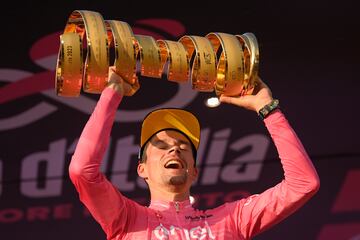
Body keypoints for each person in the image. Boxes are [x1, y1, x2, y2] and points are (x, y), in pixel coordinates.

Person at [69, 67, 320, 239]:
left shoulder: (233, 219)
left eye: (183, 146)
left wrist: (267, 109)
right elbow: (82, 170)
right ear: (141, 169)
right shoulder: (126, 219)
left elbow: (303, 184)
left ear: (194, 172)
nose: (175, 148)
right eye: (162, 145)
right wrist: (113, 92)